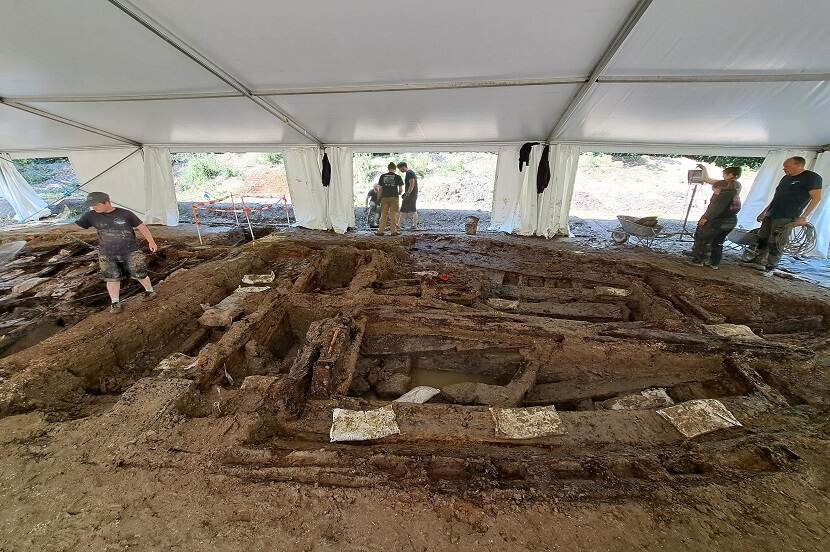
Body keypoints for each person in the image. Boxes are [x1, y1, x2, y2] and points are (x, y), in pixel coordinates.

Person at [75, 192, 158, 313]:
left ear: (107, 202)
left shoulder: (125, 214)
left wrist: (151, 242)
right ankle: (115, 302)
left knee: (139, 272)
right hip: (107, 252)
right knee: (111, 278)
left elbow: (141, 226)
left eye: (96, 205)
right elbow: (79, 225)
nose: (94, 208)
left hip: (130, 250)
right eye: (92, 205)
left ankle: (150, 291)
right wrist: (59, 229)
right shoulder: (90, 216)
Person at [755, 156, 823, 275]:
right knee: (762, 238)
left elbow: (816, 198)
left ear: (799, 165)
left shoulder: (812, 178)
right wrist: (764, 211)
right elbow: (777, 197)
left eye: (787, 166)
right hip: (772, 213)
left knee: (776, 242)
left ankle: (770, 267)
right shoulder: (786, 178)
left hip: (787, 216)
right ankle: (759, 261)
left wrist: (803, 217)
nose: (784, 169)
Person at [689, 165, 742, 269]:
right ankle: (714, 263)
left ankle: (698, 261)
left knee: (703, 238)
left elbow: (715, 209)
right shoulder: (735, 190)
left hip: (718, 221)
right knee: (718, 242)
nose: (714, 191)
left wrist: (705, 218)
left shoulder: (724, 194)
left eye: (715, 189)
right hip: (731, 221)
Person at [376, 162, 403, 236]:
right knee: (393, 215)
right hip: (394, 197)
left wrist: (378, 198)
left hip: (384, 198)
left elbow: (380, 189)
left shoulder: (382, 176)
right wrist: (399, 193)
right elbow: (400, 189)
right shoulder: (398, 177)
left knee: (383, 215)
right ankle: (393, 232)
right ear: (395, 169)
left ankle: (380, 231)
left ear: (388, 168)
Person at [397, 161, 419, 230]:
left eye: (400, 169)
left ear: (403, 167)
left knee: (411, 209)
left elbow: (412, 183)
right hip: (411, 194)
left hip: (411, 195)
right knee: (405, 209)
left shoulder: (409, 173)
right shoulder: (409, 172)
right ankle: (400, 225)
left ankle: (413, 225)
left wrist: (408, 193)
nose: (400, 170)